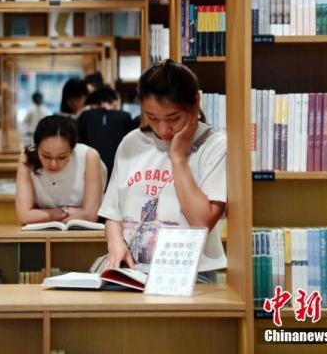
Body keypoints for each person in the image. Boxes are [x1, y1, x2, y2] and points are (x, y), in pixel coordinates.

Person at [98, 59, 226, 282]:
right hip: (133, 272)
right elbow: (113, 213)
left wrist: (178, 157)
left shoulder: (215, 145)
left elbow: (201, 222)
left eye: (173, 118)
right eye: (152, 118)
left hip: (193, 275)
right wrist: (115, 243)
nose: (163, 129)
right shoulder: (131, 143)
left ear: (196, 102)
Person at [15, 115, 107, 225]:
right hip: (44, 230)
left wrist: (42, 215)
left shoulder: (88, 156)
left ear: (72, 150)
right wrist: (66, 212)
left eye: (62, 157)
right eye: (46, 156)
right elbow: (24, 216)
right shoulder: (27, 157)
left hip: (84, 230)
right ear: (37, 147)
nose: (53, 164)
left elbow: (90, 215)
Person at [77, 86, 133, 182]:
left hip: (89, 170)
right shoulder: (125, 116)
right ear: (114, 102)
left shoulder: (85, 116)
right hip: (119, 172)